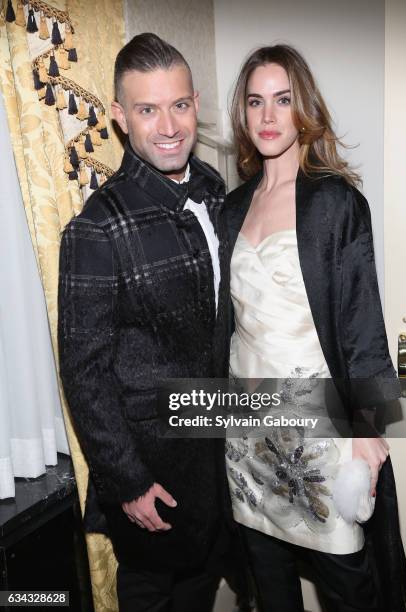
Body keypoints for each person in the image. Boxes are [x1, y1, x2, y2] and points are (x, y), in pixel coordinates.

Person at [225, 44, 406, 612]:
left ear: (303, 107)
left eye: (282, 100)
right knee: (269, 583)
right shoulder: (230, 208)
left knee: (350, 586)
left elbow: (362, 325)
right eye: (255, 102)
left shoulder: (336, 204)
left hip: (321, 429)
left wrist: (370, 426)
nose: (268, 116)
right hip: (245, 431)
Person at [58, 33, 232, 612]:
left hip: (218, 463)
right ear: (118, 116)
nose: (168, 126)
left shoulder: (214, 190)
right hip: (151, 477)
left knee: (202, 594)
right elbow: (84, 373)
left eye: (179, 105)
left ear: (196, 103)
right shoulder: (98, 226)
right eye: (147, 108)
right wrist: (126, 482)